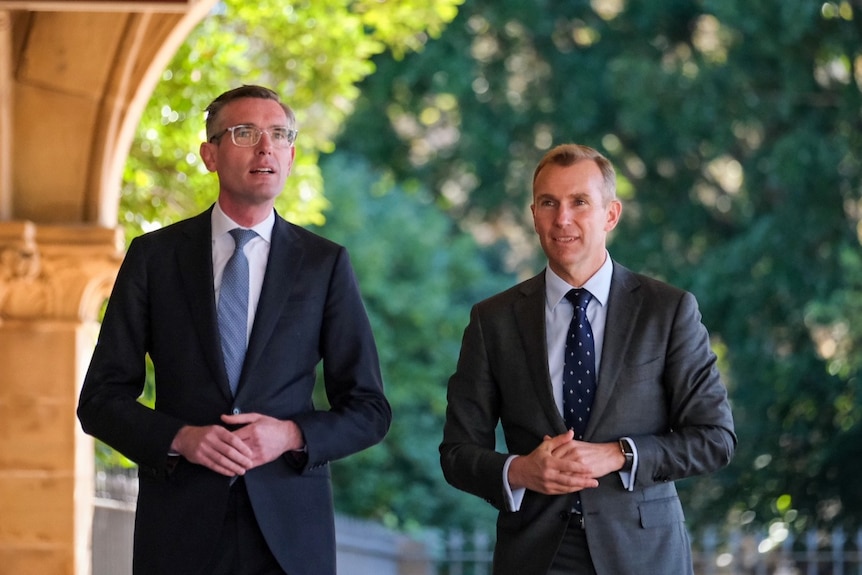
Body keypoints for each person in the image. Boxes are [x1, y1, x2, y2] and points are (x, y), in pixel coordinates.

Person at [77, 85, 391, 575]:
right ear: (210, 154)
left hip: (290, 537)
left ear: (290, 155)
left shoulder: (324, 264)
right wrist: (181, 437)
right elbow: (99, 400)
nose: (266, 147)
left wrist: (290, 434)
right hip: (179, 532)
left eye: (280, 135)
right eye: (245, 133)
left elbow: (370, 410)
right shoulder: (154, 258)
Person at [439, 143, 736, 575]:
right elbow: (456, 452)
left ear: (610, 215)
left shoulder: (667, 311)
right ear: (534, 214)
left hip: (644, 555)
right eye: (548, 203)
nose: (563, 218)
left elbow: (715, 439)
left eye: (579, 202)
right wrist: (521, 470)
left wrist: (621, 454)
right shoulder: (493, 321)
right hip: (534, 557)